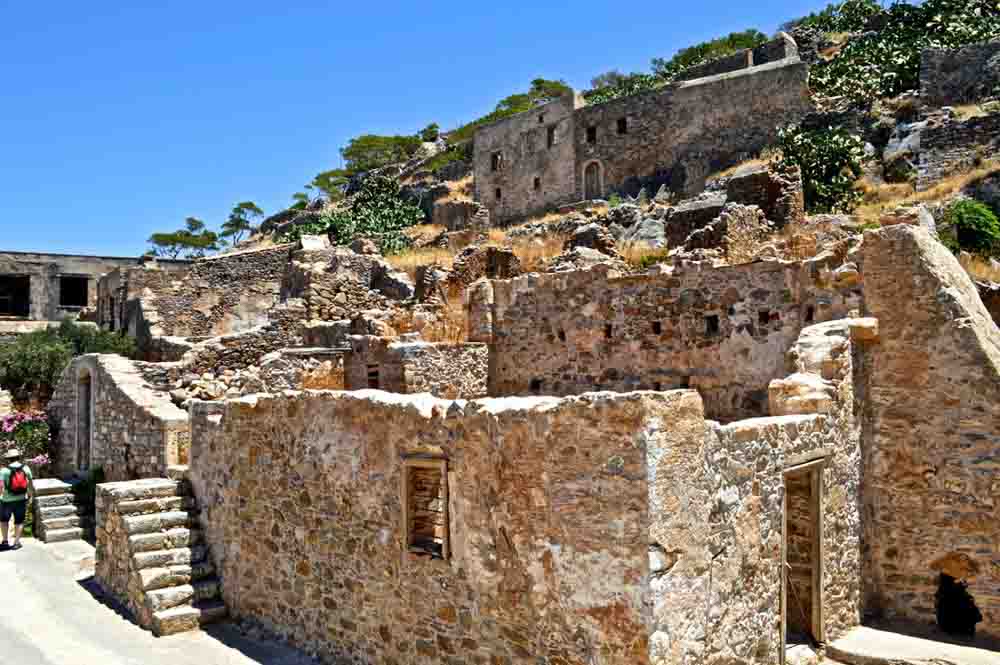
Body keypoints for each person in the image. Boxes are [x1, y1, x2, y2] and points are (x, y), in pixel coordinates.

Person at [0, 449, 33, 551]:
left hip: (6, 500)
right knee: (19, 521)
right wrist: (30, 495)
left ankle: (5, 542)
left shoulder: (4, 470)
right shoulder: (26, 468)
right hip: (21, 500)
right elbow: (30, 484)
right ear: (19, 457)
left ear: (8, 459)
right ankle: (16, 543)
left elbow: (1, 486)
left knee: (4, 520)